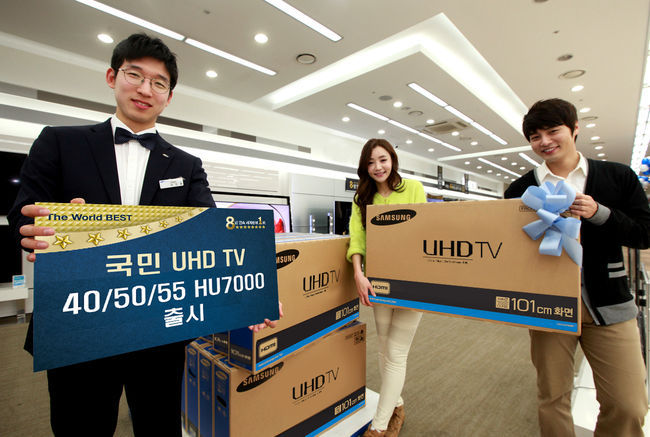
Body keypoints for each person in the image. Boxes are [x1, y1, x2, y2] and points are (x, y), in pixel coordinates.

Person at [8, 33, 277, 437]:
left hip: (159, 329)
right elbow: (22, 212)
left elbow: (211, 236)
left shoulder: (186, 165)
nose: (145, 89)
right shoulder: (60, 142)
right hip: (79, 324)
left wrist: (249, 296)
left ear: (169, 97)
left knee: (159, 426)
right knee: (79, 427)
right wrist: (35, 227)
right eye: (135, 75)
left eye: (159, 82)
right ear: (112, 77)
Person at [504, 98, 650, 437]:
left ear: (574, 129)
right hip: (546, 304)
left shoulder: (617, 176)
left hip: (610, 303)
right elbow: (508, 249)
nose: (544, 142)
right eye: (535, 136)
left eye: (553, 131)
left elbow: (644, 233)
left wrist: (600, 213)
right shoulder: (520, 189)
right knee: (552, 397)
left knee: (629, 404)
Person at [347, 139, 427, 437]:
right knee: (383, 348)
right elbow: (357, 238)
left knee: (395, 351)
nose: (377, 167)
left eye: (382, 159)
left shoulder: (413, 189)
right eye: (370, 162)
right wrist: (358, 273)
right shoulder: (362, 197)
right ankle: (398, 404)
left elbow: (424, 231)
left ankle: (379, 426)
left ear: (392, 159)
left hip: (412, 282)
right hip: (378, 282)